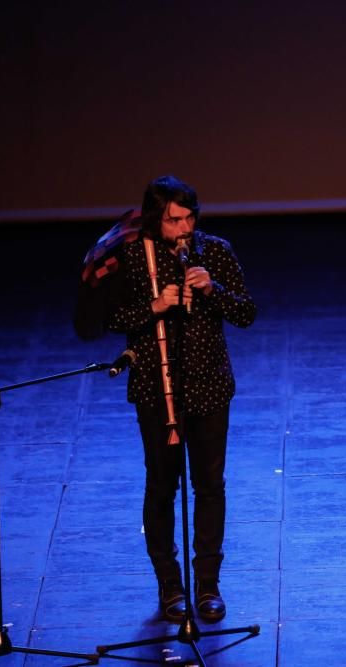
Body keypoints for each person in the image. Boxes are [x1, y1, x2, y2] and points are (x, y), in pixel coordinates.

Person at [106, 175, 256, 622]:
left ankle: (207, 585)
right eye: (175, 220)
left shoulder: (215, 251)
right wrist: (153, 307)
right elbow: (110, 318)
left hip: (209, 387)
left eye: (190, 217)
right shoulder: (134, 257)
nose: (185, 227)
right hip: (157, 389)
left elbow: (247, 313)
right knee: (162, 485)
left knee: (210, 486)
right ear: (157, 219)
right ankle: (170, 585)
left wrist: (213, 290)